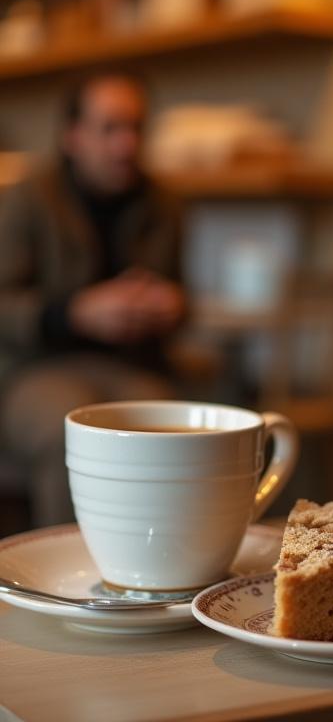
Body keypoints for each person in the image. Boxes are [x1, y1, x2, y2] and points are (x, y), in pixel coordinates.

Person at [0, 73, 186, 526]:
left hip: (133, 367)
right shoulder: (26, 199)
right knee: (70, 428)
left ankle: (165, 578)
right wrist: (74, 312)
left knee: (177, 431)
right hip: (35, 368)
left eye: (136, 128)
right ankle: (68, 581)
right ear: (73, 136)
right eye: (110, 129)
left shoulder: (163, 203)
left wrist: (176, 306)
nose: (126, 144)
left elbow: (183, 295)